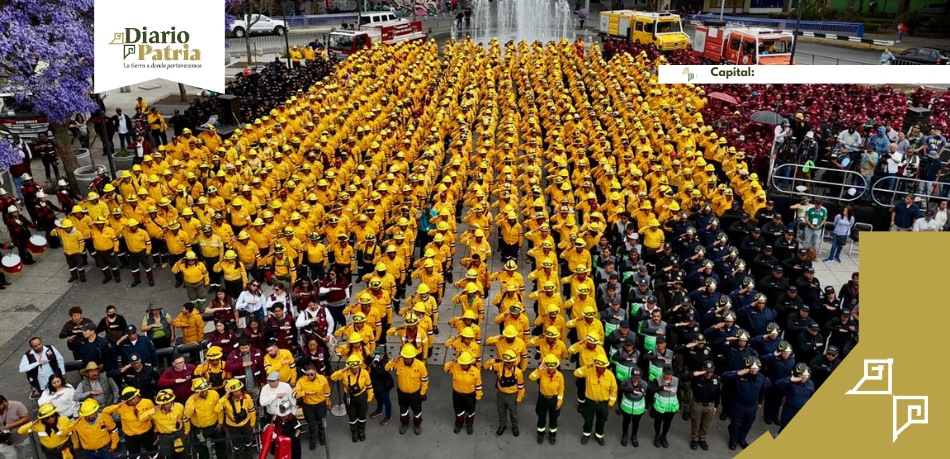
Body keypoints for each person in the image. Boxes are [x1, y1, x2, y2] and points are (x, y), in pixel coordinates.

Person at [722, 357, 769, 450]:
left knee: (747, 424)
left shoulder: (761, 378)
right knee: (735, 424)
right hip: (738, 404)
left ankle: (742, 439)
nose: (754, 371)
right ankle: (733, 441)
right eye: (751, 369)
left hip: (752, 406)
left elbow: (762, 391)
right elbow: (724, 375)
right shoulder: (740, 375)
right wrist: (736, 373)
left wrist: (760, 402)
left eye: (756, 369)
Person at [384, 344, 428, 435]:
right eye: (405, 357)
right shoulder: (398, 363)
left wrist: (423, 392)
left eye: (409, 358)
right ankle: (404, 423)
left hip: (415, 394)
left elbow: (424, 380)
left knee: (417, 411)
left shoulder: (420, 365)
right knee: (403, 410)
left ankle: (417, 424)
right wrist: (393, 361)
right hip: (402, 393)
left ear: (413, 356)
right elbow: (386, 368)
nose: (407, 359)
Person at [573, 354, 617, 446]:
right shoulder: (589, 372)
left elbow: (614, 390)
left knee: (602, 420)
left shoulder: (610, 375)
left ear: (605, 366)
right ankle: (586, 434)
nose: (600, 369)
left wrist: (611, 403)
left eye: (602, 367)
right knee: (588, 419)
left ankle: (599, 435)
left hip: (603, 404)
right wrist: (586, 366)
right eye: (598, 367)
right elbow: (576, 373)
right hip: (590, 402)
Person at [103, 387, 155, 459]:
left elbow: (154, 416)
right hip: (131, 436)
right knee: (133, 455)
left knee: (153, 452)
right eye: (129, 400)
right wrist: (118, 405)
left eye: (134, 398)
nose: (132, 401)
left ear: (138, 395)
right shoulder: (121, 407)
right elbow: (105, 411)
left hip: (147, 433)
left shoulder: (148, 402)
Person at [331, 355, 374, 443]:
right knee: (352, 416)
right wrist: (342, 370)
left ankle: (361, 432)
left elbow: (369, 386)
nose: (354, 369)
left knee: (362, 415)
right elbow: (333, 377)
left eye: (356, 367)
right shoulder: (344, 373)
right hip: (349, 397)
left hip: (361, 396)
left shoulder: (365, 373)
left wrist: (369, 397)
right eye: (352, 367)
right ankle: (354, 433)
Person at [139, 389, 190, 459]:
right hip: (164, 437)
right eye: (163, 404)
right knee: (168, 455)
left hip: (178, 434)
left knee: (182, 454)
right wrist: (153, 410)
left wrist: (187, 431)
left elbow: (185, 419)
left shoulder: (179, 406)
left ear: (172, 401)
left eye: (168, 403)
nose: (166, 406)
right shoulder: (155, 412)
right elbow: (141, 418)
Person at [184, 379, 226, 459]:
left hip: (215, 426)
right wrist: (193, 401)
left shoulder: (214, 394)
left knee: (221, 447)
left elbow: (219, 410)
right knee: (201, 451)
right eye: (201, 391)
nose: (204, 393)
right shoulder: (190, 400)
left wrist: (220, 423)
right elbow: (188, 415)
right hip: (200, 429)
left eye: (205, 390)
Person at [215, 379, 257, 459]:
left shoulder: (247, 397)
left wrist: (252, 423)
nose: (238, 393)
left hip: (246, 424)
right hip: (233, 427)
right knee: (237, 445)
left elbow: (252, 411)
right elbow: (216, 409)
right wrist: (224, 398)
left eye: (239, 390)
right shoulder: (225, 401)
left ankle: (249, 456)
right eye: (235, 391)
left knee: (248, 442)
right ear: (230, 393)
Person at [528, 354, 564, 445]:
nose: (551, 369)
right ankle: (540, 434)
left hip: (553, 400)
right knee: (541, 417)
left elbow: (561, 390)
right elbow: (531, 377)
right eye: (549, 367)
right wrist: (538, 369)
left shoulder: (560, 376)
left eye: (553, 367)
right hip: (542, 399)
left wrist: (559, 403)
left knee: (553, 418)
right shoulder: (541, 372)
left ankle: (552, 435)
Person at [295, 363, 331, 448]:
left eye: (312, 374)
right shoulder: (301, 381)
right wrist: (305, 393)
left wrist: (328, 403)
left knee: (322, 423)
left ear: (315, 372)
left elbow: (327, 392)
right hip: (308, 406)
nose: (310, 376)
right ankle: (313, 440)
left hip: (320, 405)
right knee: (312, 425)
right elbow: (295, 394)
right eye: (308, 374)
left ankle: (322, 438)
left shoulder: (322, 379)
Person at [688, 361, 721, 450]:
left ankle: (702, 439)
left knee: (706, 423)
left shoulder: (716, 379)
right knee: (695, 422)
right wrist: (696, 373)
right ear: (703, 369)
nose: (709, 373)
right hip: (697, 404)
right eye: (707, 371)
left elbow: (718, 393)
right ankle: (694, 439)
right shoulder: (697, 377)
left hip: (710, 405)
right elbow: (684, 378)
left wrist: (716, 406)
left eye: (711, 371)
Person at [773, 363, 815, 433]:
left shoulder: (810, 383)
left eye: (806, 376)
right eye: (801, 376)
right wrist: (790, 379)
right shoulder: (791, 382)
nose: (804, 378)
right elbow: (778, 384)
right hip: (789, 411)